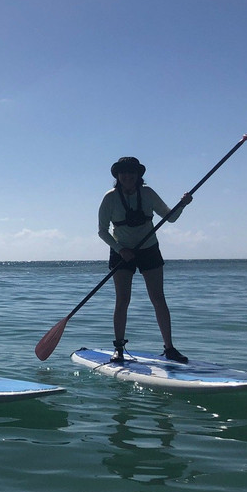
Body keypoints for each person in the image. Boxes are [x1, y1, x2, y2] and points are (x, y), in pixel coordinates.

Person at [98, 156, 192, 364]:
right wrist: (120, 249)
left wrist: (182, 204)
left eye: (131, 172)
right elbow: (102, 231)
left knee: (158, 298)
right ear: (117, 175)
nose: (127, 176)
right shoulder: (110, 198)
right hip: (121, 251)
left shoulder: (148, 193)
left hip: (149, 249)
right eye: (123, 172)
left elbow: (170, 217)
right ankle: (119, 349)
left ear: (138, 175)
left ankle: (169, 348)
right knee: (123, 300)